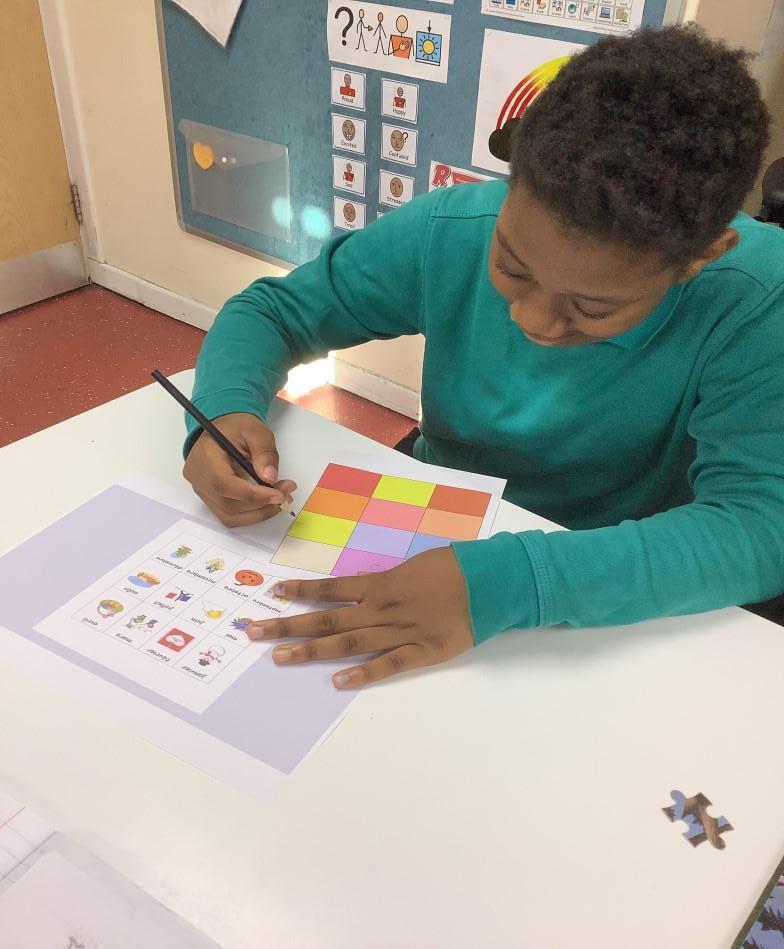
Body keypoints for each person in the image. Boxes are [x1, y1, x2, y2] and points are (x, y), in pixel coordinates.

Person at [183, 26, 783, 689]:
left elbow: (759, 528)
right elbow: (271, 313)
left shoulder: (759, 298)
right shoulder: (453, 228)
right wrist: (222, 410)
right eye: (513, 268)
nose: (533, 320)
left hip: (612, 585)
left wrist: (514, 581)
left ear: (699, 259)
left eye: (591, 307)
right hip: (441, 519)